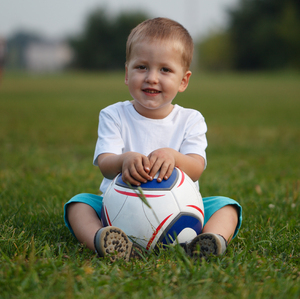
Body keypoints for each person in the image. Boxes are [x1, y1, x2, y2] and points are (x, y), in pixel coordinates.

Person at [64, 18, 242, 261]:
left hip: (180, 210)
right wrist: (124, 160)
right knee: (79, 204)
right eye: (142, 67)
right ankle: (102, 238)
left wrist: (174, 156)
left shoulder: (191, 119)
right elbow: (105, 164)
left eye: (165, 70)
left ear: (183, 81)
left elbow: (196, 168)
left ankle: (209, 240)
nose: (152, 78)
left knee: (226, 206)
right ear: (127, 73)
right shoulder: (114, 114)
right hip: (118, 209)